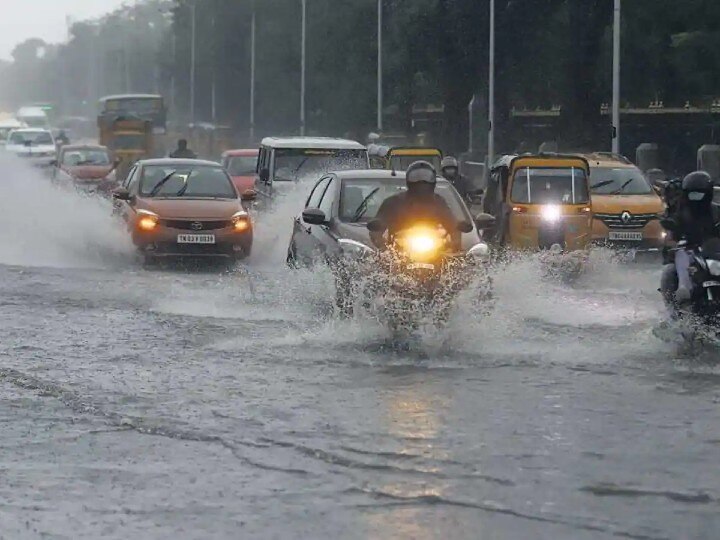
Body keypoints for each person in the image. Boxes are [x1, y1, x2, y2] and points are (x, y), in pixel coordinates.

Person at [369, 160, 459, 250]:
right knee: (379, 261)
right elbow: (377, 228)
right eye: (416, 178)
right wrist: (383, 246)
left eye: (426, 179)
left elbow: (452, 223)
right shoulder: (393, 202)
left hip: (435, 249)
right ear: (409, 180)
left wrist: (454, 243)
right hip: (398, 251)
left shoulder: (439, 202)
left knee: (457, 261)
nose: (421, 183)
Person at [667, 171, 720, 303]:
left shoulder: (716, 211)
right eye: (692, 194)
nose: (696, 198)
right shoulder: (680, 213)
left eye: (699, 194)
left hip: (712, 252)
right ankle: (684, 287)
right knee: (681, 256)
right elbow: (670, 236)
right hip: (690, 249)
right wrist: (673, 241)